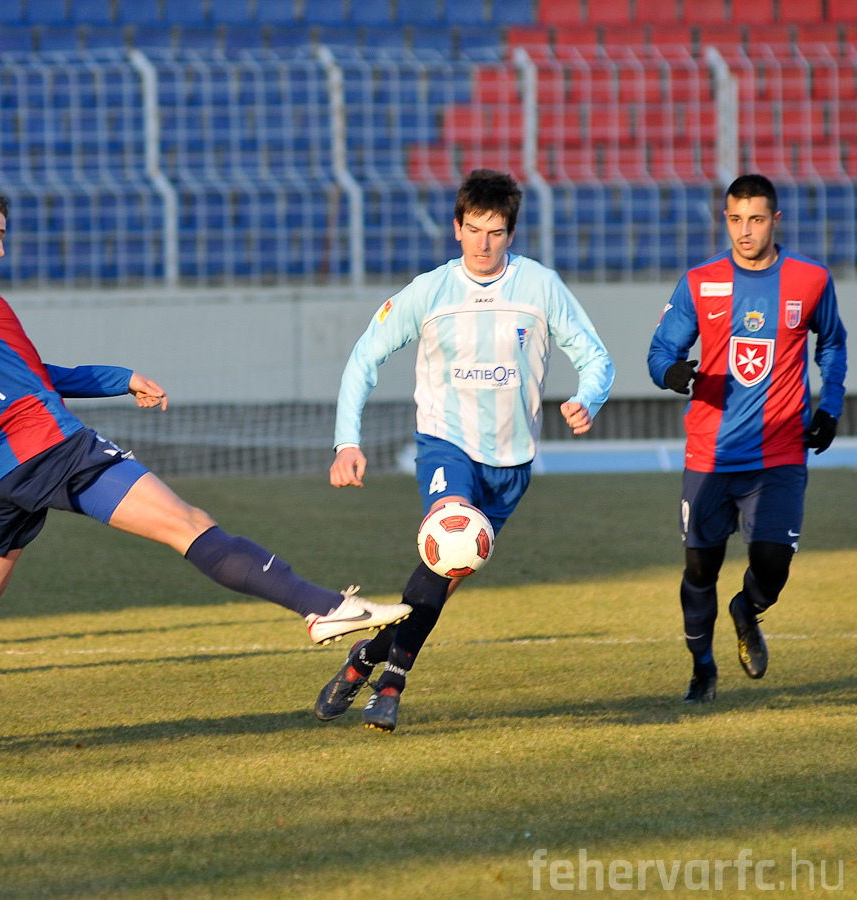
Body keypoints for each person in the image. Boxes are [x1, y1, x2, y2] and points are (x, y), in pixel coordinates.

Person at [0, 180, 410, 759]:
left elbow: (37, 374)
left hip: (2, 479)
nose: (1, 250)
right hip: (51, 449)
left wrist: (119, 379)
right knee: (188, 524)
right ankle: (321, 607)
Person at [317, 169, 615, 733]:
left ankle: (364, 658)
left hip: (512, 465)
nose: (483, 243)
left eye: (496, 232)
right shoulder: (429, 291)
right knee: (449, 543)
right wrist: (346, 441)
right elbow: (364, 357)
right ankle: (391, 686)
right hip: (446, 445)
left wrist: (588, 397)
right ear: (456, 228)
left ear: (511, 234)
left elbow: (596, 357)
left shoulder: (540, 286)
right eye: (474, 230)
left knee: (441, 578)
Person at [647, 173, 845, 703]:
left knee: (773, 564)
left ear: (775, 220)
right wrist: (672, 373)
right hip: (710, 452)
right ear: (726, 219)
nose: (745, 231)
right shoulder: (700, 281)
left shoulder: (810, 279)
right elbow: (660, 352)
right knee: (699, 568)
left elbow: (832, 344)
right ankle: (703, 670)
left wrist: (830, 406)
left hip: (780, 449)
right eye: (735, 220)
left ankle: (747, 608)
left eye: (756, 220)